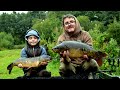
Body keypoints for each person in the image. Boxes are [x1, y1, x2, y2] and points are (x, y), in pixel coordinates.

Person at [57, 14, 99, 79]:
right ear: (64, 26)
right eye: (66, 23)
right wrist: (65, 57)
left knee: (92, 63)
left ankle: (89, 75)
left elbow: (90, 49)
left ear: (76, 23)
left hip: (84, 63)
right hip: (70, 64)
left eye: (72, 22)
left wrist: (88, 57)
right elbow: (63, 59)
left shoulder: (85, 34)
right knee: (63, 67)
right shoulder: (61, 38)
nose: (69, 24)